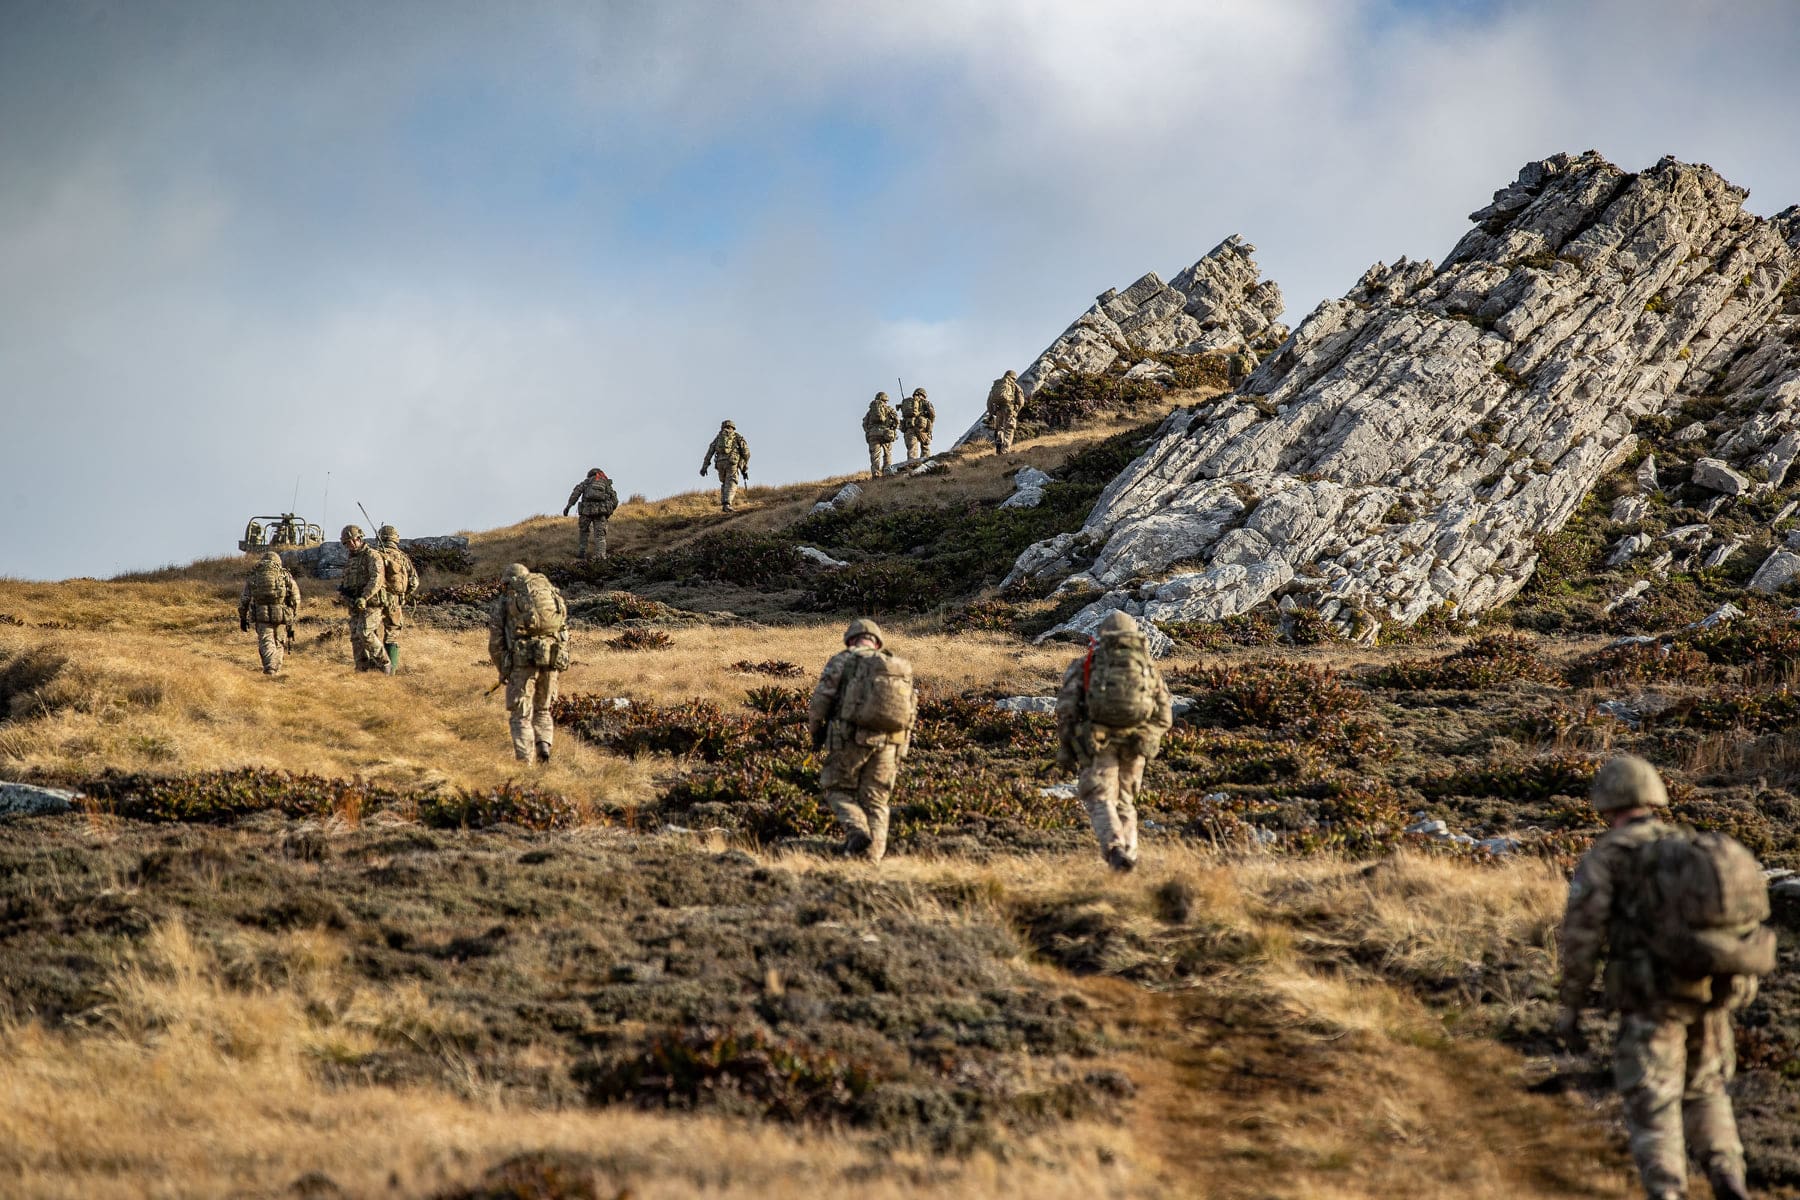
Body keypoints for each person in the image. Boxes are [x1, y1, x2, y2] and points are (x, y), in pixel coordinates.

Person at [1555, 755, 1775, 1200]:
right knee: (1707, 1092)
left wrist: (1571, 1004)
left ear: (1606, 802)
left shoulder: (1610, 856)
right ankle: (1728, 1178)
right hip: (1710, 992)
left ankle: (1668, 1191)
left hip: (1653, 999)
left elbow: (1581, 935)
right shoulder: (1685, 845)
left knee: (1653, 1101)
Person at [1055, 610, 1173, 871]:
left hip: (1099, 743)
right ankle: (1128, 857)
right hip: (1136, 745)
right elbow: (1165, 713)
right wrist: (1148, 736)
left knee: (1100, 797)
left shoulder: (1088, 664)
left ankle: (1114, 847)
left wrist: (1066, 748)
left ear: (1102, 634)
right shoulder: (1146, 668)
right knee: (1126, 802)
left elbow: (1067, 709)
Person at [807, 618, 915, 862]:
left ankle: (857, 831)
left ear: (850, 640)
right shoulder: (897, 666)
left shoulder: (843, 660)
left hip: (851, 738)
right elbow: (911, 710)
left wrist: (816, 733)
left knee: (836, 788)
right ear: (877, 643)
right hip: (891, 742)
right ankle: (871, 860)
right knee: (876, 800)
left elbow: (820, 701)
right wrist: (902, 749)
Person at [487, 562, 569, 764]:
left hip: (522, 660)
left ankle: (525, 762)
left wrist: (503, 670)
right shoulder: (550, 594)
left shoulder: (507, 601)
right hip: (552, 655)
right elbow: (563, 630)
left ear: (508, 582)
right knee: (542, 709)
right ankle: (544, 745)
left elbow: (496, 643)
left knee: (521, 714)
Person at [335, 525, 390, 673]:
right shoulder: (351, 560)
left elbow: (377, 579)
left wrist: (365, 597)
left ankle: (384, 663)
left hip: (371, 603)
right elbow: (346, 580)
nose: (349, 545)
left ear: (359, 538)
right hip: (354, 604)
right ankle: (362, 669)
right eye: (346, 543)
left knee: (364, 632)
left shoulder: (372, 556)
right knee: (355, 638)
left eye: (351, 541)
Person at [238, 551, 300, 675]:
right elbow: (295, 598)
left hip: (261, 613)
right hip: (282, 613)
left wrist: (243, 618)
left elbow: (244, 599)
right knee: (279, 641)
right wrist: (293, 615)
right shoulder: (284, 574)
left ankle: (270, 667)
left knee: (266, 641)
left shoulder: (254, 575)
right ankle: (275, 668)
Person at [375, 525, 420, 673]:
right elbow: (414, 581)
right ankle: (391, 671)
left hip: (375, 601)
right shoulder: (402, 557)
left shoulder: (375, 554)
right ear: (396, 538)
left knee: (372, 634)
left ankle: (374, 667)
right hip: (395, 601)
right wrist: (404, 596)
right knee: (392, 636)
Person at [562, 467, 619, 560]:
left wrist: (568, 507)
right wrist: (610, 510)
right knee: (600, 535)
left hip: (586, 511)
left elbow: (575, 494)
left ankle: (582, 553)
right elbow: (615, 500)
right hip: (601, 512)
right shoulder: (606, 483)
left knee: (584, 532)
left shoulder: (586, 482)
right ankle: (601, 556)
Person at [701, 420, 751, 511]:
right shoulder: (737, 436)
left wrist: (704, 467)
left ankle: (724, 504)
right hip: (732, 462)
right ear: (733, 427)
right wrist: (744, 467)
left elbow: (710, 452)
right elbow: (746, 453)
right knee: (731, 482)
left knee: (724, 483)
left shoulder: (718, 438)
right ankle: (727, 504)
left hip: (720, 463)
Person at [984, 369, 1026, 455]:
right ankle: (1005, 451)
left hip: (998, 410)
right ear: (1014, 377)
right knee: (1009, 429)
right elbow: (1021, 401)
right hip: (1009, 409)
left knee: (1000, 428)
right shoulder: (1015, 386)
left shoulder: (997, 384)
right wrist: (1016, 411)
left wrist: (991, 413)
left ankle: (999, 440)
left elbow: (989, 401)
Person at [862, 392, 900, 480]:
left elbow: (864, 424)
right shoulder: (888, 409)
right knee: (887, 453)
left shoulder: (870, 411)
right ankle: (887, 471)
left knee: (875, 455)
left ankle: (876, 474)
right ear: (885, 399)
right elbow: (896, 420)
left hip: (873, 434)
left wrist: (869, 431)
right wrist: (893, 430)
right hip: (885, 434)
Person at [899, 387, 935, 460]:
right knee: (925, 446)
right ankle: (925, 463)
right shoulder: (925, 402)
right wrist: (930, 422)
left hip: (910, 427)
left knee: (912, 448)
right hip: (922, 428)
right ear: (923, 394)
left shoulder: (907, 402)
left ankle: (912, 463)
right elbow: (933, 414)